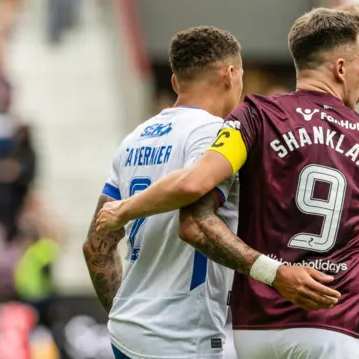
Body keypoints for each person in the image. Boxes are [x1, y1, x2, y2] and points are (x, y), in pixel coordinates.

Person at [96, 7, 359, 359]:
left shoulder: (255, 115)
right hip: (334, 323)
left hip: (257, 326)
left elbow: (196, 185)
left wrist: (125, 209)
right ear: (341, 67)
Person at [82, 26, 252, 359]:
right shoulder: (215, 134)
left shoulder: (134, 139)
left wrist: (125, 309)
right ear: (231, 74)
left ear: (176, 83)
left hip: (127, 333)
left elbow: (96, 246)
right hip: (182, 336)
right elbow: (194, 204)